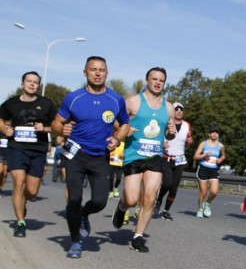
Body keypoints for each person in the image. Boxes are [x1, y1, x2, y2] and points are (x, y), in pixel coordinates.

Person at [51, 56, 130, 258]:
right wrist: (63, 130)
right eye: (93, 69)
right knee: (74, 199)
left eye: (101, 70)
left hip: (101, 157)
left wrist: (117, 139)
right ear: (85, 72)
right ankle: (75, 241)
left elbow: (125, 124)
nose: (97, 73)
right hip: (76, 154)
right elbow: (56, 123)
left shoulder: (115, 99)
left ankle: (85, 214)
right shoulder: (73, 98)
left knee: (100, 201)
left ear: (107, 73)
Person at [111, 67, 175, 253]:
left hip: (155, 157)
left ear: (164, 83)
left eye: (161, 80)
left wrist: (171, 133)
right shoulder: (132, 102)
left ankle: (137, 237)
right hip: (133, 156)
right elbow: (113, 120)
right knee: (131, 199)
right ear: (147, 80)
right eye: (154, 79)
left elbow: (169, 135)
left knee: (150, 197)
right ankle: (122, 207)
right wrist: (123, 129)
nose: (157, 82)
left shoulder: (168, 107)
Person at [0, 71, 58, 237]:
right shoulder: (11, 103)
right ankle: (20, 222)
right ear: (22, 84)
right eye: (29, 81)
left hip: (38, 150)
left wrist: (45, 128)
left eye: (35, 82)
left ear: (38, 85)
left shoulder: (46, 104)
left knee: (32, 192)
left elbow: (57, 124)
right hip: (17, 148)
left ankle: (22, 201)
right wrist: (6, 129)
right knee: (18, 182)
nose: (32, 84)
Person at [154, 101, 192, 221]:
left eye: (181, 110)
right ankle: (159, 200)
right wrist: (162, 143)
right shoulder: (166, 123)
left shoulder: (187, 125)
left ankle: (166, 211)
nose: (179, 111)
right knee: (167, 183)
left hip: (180, 159)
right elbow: (157, 136)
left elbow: (189, 140)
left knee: (174, 187)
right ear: (172, 111)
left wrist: (190, 142)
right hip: (167, 158)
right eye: (177, 109)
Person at [193, 125, 225, 218]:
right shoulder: (203, 144)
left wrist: (221, 159)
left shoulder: (221, 146)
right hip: (203, 169)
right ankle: (200, 209)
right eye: (213, 132)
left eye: (217, 132)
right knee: (203, 192)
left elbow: (223, 156)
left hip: (214, 170)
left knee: (214, 192)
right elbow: (195, 156)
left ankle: (207, 204)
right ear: (209, 134)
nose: (215, 134)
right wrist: (205, 155)